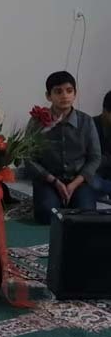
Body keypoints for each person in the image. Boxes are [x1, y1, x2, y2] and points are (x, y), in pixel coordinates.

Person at [26, 71, 100, 225]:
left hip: (79, 181)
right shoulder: (37, 122)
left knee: (87, 216)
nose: (64, 96)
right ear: (48, 96)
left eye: (69, 91)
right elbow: (28, 158)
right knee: (47, 215)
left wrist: (74, 184)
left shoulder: (86, 121)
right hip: (48, 180)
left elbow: (95, 157)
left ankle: (70, 200)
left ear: (75, 94)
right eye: (58, 91)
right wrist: (54, 182)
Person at [93, 90, 111, 202]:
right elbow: (90, 161)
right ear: (105, 111)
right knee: (93, 183)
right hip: (95, 173)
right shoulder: (90, 125)